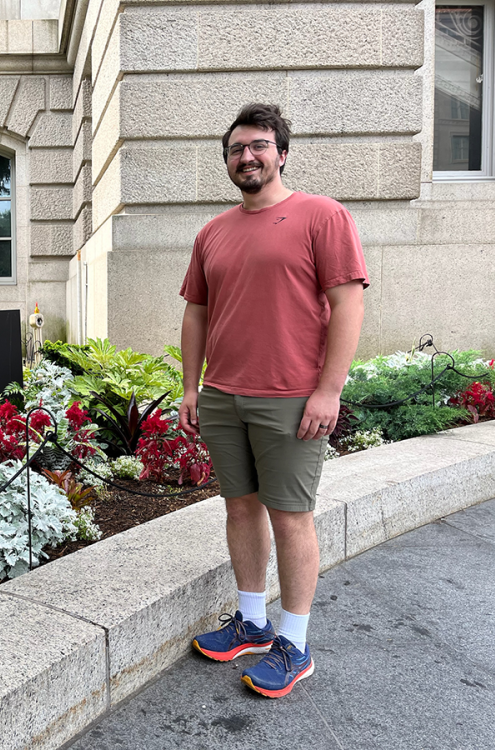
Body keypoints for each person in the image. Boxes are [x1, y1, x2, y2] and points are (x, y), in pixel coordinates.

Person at [178, 103, 368, 698]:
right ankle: (252, 622)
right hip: (224, 397)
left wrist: (328, 390)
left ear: (281, 153)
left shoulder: (322, 215)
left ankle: (295, 643)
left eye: (259, 145)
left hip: (291, 399)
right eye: (236, 149)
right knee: (240, 509)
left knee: (291, 517)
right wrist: (191, 387)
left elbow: (347, 304)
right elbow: (197, 312)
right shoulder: (212, 232)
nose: (247, 156)